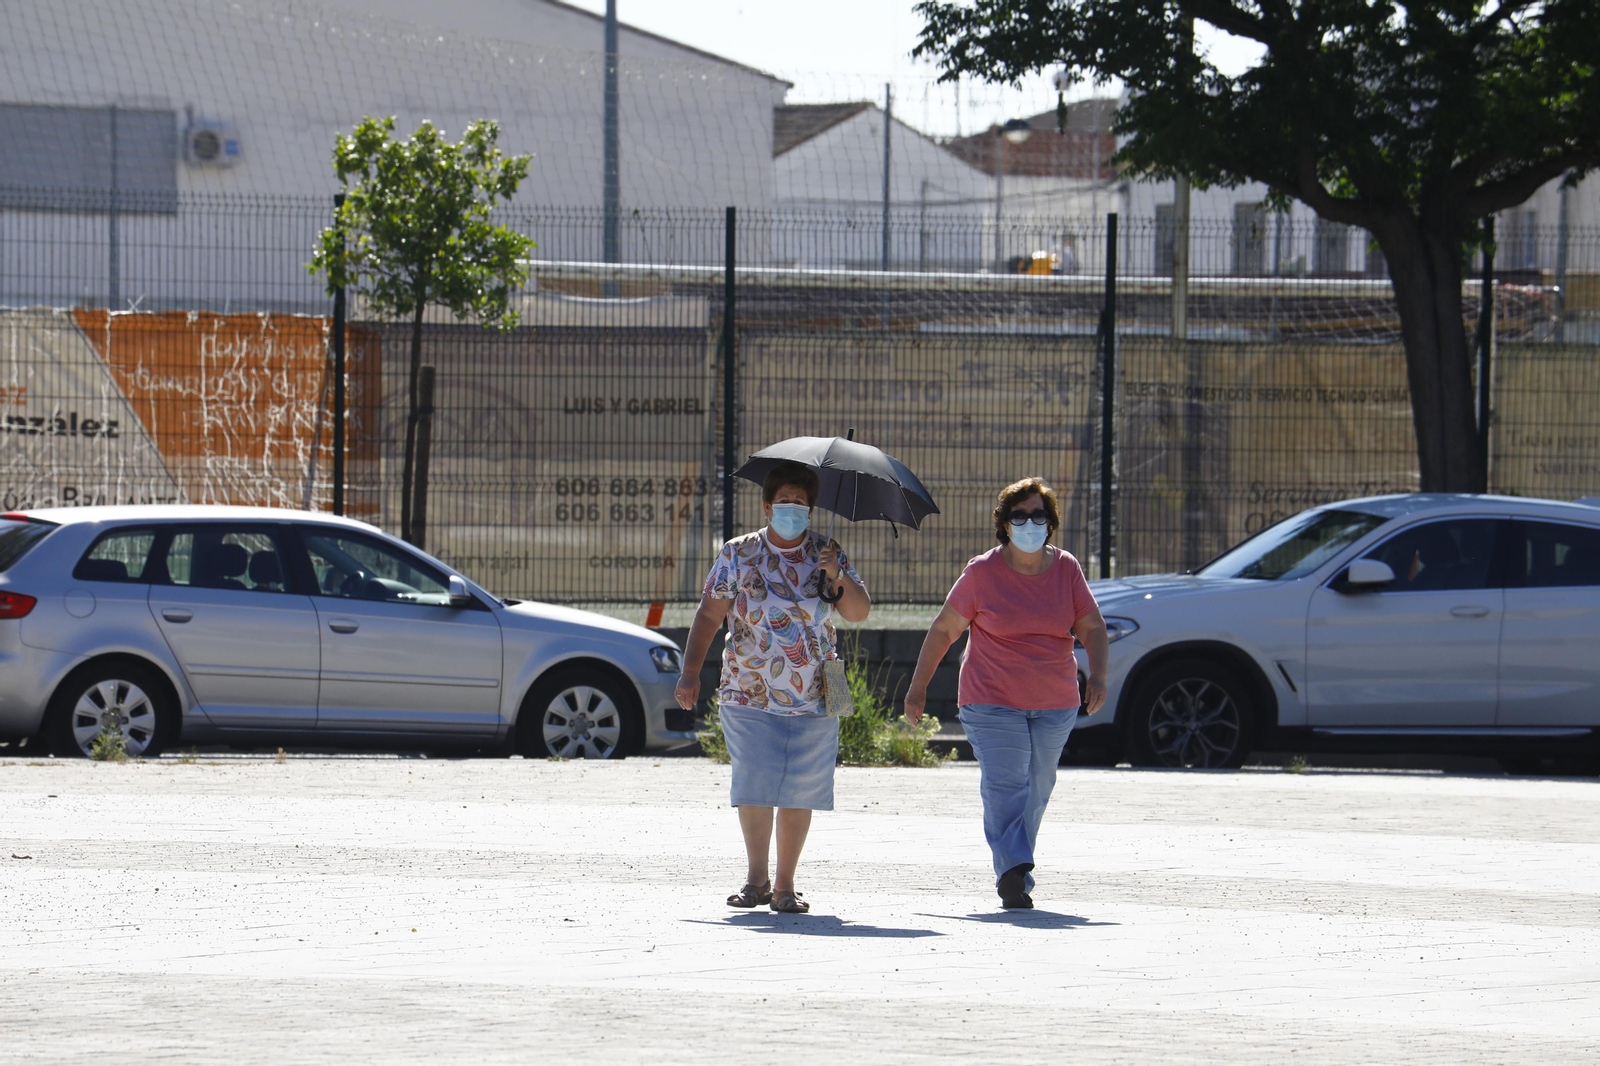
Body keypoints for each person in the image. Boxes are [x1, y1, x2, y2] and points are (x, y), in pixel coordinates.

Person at [903, 476, 1108, 909]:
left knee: (1038, 784)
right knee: (1007, 783)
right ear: (1005, 524)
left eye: (1038, 515)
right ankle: (1013, 872)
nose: (1029, 523)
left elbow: (1091, 626)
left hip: (1055, 701)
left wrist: (1100, 677)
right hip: (990, 699)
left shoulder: (1067, 568)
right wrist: (917, 688)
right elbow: (944, 630)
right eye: (1020, 515)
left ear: (1050, 523)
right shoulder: (981, 573)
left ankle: (1015, 865)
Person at [675, 461, 870, 914]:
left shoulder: (828, 553)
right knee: (755, 782)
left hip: (819, 689)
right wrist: (690, 672)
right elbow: (709, 615)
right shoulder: (738, 553)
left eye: (800, 504)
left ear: (811, 510)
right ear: (767, 506)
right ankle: (756, 880)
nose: (791, 510)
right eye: (783, 502)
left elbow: (858, 613)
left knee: (803, 786)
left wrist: (838, 574)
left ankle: (785, 886)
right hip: (748, 687)